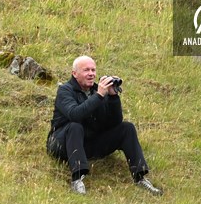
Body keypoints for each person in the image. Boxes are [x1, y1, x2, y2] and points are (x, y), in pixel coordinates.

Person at [46, 55, 162, 196]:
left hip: (90, 144)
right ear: (74, 73)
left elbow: (114, 122)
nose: (91, 74)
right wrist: (99, 96)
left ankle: (140, 178)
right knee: (75, 126)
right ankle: (77, 179)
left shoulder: (99, 91)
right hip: (62, 144)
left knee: (127, 128)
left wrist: (113, 97)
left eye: (93, 70)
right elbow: (75, 114)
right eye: (86, 70)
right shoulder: (65, 90)